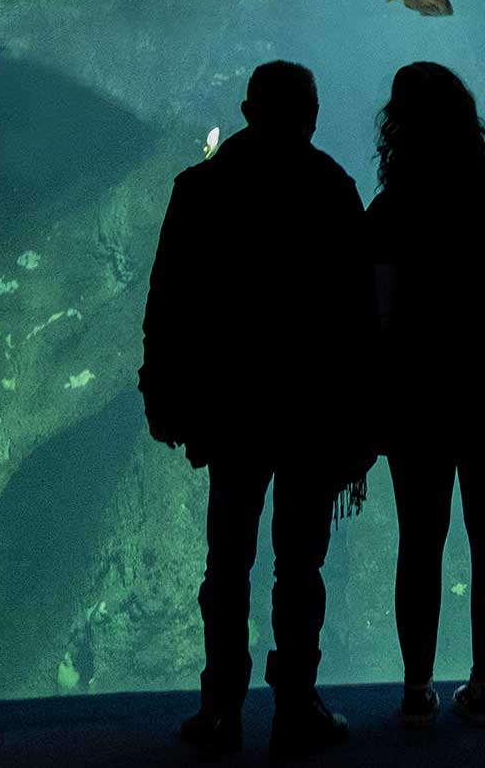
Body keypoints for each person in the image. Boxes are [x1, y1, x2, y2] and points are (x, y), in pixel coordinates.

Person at [141, 60, 371, 757]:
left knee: (228, 564)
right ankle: (296, 702)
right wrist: (361, 423)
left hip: (232, 409)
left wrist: (164, 393)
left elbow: (167, 307)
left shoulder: (201, 188)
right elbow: (362, 322)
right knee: (299, 568)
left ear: (246, 109)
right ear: (313, 114)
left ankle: (220, 706)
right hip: (311, 413)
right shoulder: (334, 190)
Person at [361, 62, 485, 729]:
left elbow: (375, 313)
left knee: (420, 539)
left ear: (399, 125)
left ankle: (417, 688)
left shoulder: (392, 206)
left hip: (416, 401)